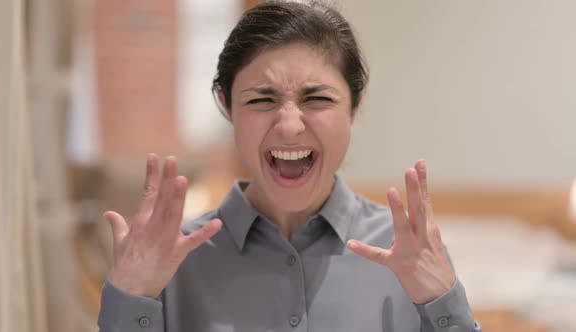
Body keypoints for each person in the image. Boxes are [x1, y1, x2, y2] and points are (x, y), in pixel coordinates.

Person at [98, 1, 481, 331]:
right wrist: (131, 298)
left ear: (354, 106)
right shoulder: (173, 259)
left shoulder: (407, 251)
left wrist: (442, 302)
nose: (290, 125)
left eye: (316, 99)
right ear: (226, 106)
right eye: (262, 100)